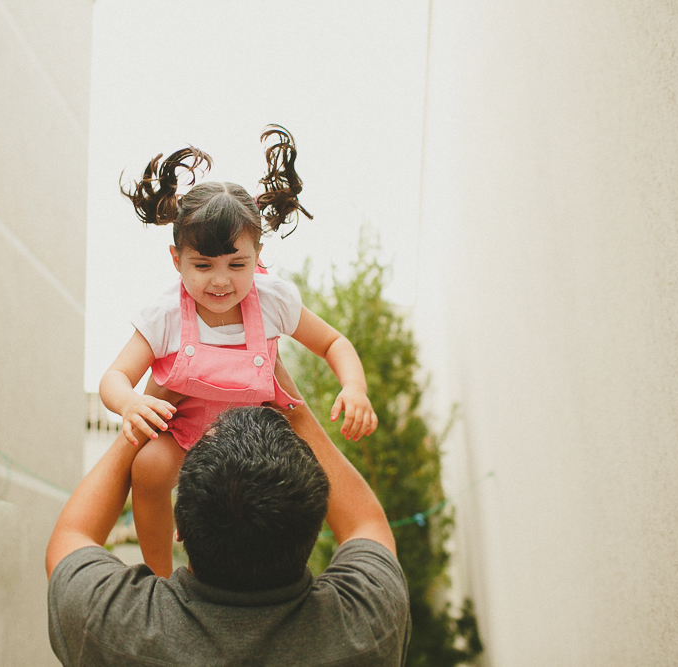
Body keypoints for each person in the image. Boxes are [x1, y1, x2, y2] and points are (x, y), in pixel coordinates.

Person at [99, 125, 379, 576]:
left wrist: (354, 388)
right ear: (176, 260)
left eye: (237, 264)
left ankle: (277, 570)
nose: (220, 280)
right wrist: (130, 403)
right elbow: (114, 377)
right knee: (147, 468)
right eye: (202, 265)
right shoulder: (165, 314)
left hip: (254, 438)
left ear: (258, 255)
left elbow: (333, 342)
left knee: (296, 480)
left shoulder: (272, 300)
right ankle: (161, 574)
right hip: (184, 429)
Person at [46, 364, 410, 667]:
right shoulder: (367, 627)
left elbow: (71, 536)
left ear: (179, 527)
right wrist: (295, 410)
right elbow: (365, 523)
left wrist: (148, 415)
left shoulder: (115, 628)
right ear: (316, 527)